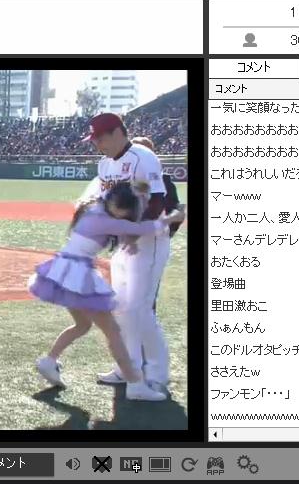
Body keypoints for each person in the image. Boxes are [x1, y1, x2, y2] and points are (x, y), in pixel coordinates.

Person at [29, 182, 181, 401]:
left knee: (82, 325)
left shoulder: (93, 208)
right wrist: (172, 217)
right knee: (113, 332)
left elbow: (123, 230)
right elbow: (141, 229)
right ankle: (135, 384)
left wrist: (132, 226)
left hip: (64, 269)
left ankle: (49, 361)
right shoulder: (105, 219)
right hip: (78, 274)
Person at [82, 113, 175, 391]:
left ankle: (156, 375)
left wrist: (131, 229)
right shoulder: (104, 164)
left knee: (140, 309)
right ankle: (128, 368)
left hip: (148, 242)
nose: (97, 144)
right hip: (124, 244)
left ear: (116, 133)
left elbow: (156, 202)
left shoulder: (142, 157)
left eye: (100, 138)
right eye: (94, 140)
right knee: (122, 309)